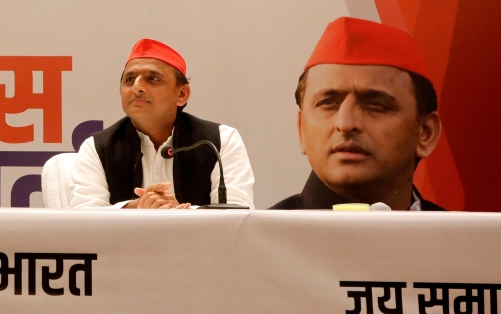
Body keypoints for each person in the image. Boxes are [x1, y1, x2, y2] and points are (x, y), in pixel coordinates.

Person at [271, 17, 444, 210]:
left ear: (425, 132)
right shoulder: (258, 230)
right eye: (328, 103)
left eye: (376, 104)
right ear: (301, 129)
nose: (345, 124)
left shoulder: (459, 231)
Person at [71, 38, 255, 209]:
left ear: (182, 94)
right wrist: (136, 207)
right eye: (129, 79)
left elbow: (238, 213)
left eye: (153, 79)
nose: (137, 87)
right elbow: (82, 217)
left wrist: (180, 213)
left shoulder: (220, 141)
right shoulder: (97, 147)